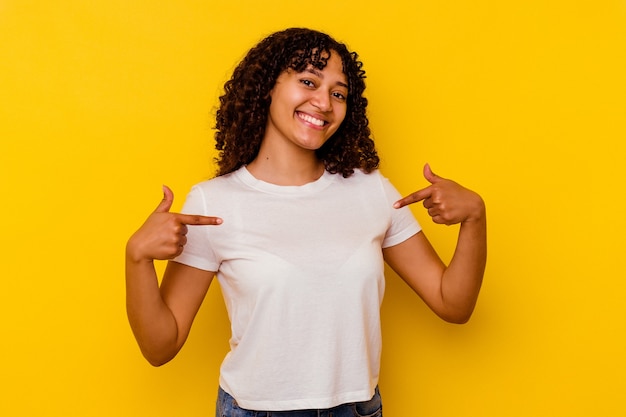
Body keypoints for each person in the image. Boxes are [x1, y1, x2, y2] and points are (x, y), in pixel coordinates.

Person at [126, 27, 486, 417]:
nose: (324, 103)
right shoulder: (214, 202)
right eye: (308, 82)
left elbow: (453, 304)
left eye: (338, 93)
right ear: (267, 88)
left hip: (358, 409)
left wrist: (475, 217)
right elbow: (161, 347)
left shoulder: (371, 191)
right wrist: (137, 259)